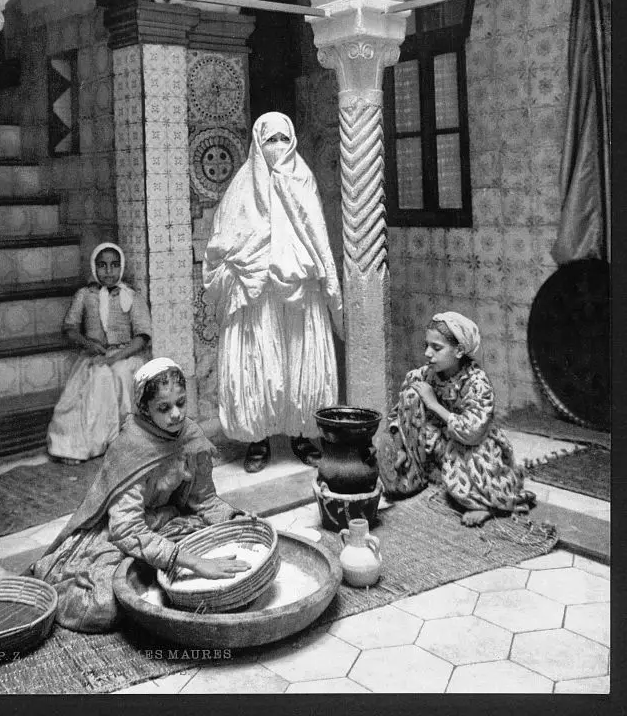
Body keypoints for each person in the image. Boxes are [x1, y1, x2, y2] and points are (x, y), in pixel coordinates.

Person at [32, 358, 251, 632]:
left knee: (231, 542)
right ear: (145, 409)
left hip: (169, 521)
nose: (176, 415)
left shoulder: (190, 437)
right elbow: (125, 529)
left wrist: (233, 518)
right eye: (164, 407)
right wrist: (194, 562)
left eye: (180, 403)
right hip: (120, 531)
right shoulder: (131, 448)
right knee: (101, 607)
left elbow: (203, 499)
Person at [203, 111, 343, 474]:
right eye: (270, 140)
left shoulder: (303, 179)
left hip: (300, 287)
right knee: (260, 364)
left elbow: (316, 234)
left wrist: (318, 272)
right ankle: (258, 439)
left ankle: (302, 435)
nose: (278, 147)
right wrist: (247, 261)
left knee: (301, 362)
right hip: (257, 292)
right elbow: (223, 242)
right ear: (257, 144)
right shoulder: (240, 188)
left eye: (284, 138)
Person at [377, 311, 535, 527]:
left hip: (473, 445)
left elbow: (472, 432)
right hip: (440, 441)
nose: (427, 353)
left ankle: (484, 505)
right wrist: (403, 445)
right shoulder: (424, 374)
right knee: (411, 394)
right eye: (427, 345)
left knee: (470, 467)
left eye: (437, 348)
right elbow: (399, 413)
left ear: (459, 350)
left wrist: (433, 404)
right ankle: (418, 475)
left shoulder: (477, 383)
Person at [47, 242, 151, 464]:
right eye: (102, 265)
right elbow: (70, 327)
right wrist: (87, 343)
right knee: (99, 378)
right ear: (95, 268)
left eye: (114, 265)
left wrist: (116, 357)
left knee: (122, 374)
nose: (109, 271)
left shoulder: (130, 295)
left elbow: (142, 336)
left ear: (121, 267)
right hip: (96, 355)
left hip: (125, 354)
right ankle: (85, 444)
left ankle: (123, 440)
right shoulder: (85, 295)